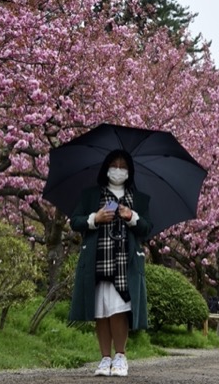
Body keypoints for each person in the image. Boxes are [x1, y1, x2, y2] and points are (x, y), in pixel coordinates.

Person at [69, 149, 153, 377]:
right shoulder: (91, 195)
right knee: (101, 310)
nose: (118, 170)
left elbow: (147, 228)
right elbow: (74, 222)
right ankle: (105, 358)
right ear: (106, 168)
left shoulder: (138, 198)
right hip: (98, 260)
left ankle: (120, 355)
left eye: (123, 166)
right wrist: (94, 218)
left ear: (129, 171)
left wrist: (132, 217)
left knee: (119, 309)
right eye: (114, 165)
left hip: (125, 264)